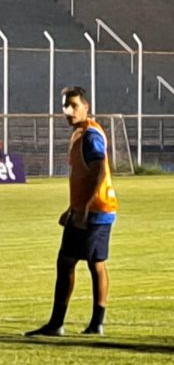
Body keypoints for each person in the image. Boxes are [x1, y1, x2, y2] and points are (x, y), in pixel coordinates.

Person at [26, 86, 118, 337]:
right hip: (84, 210)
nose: (68, 111)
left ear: (85, 107)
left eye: (74, 105)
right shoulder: (79, 134)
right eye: (65, 105)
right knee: (73, 262)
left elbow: (100, 170)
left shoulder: (90, 135)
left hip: (97, 210)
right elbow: (83, 175)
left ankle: (90, 323)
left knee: (90, 263)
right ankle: (64, 323)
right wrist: (72, 208)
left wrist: (87, 206)